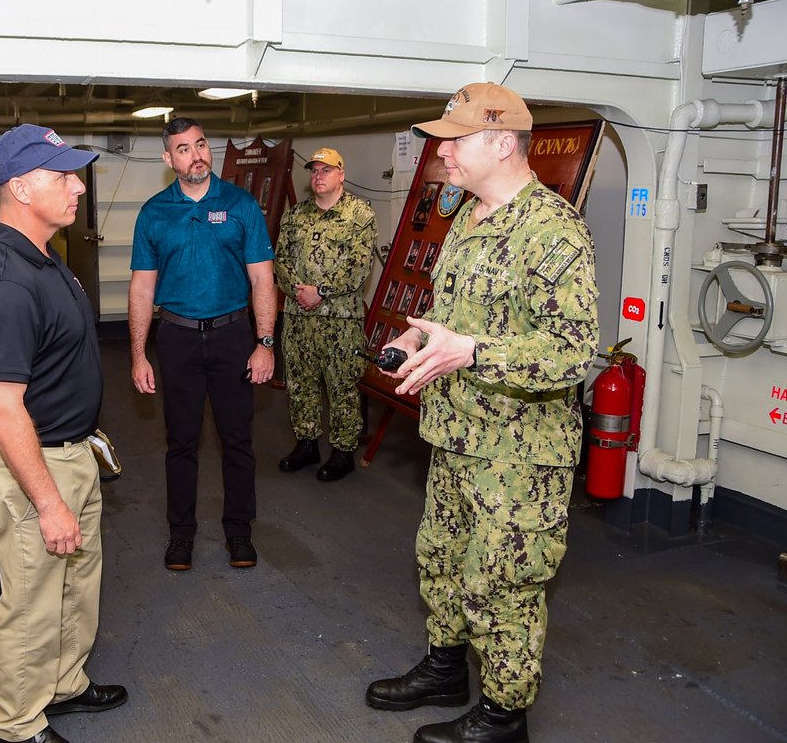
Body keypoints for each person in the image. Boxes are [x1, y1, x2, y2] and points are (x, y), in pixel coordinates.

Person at [363, 83, 599, 743]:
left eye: (456, 139)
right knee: (440, 558)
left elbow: (571, 352)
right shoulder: (468, 218)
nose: (443, 151)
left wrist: (471, 352)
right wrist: (418, 337)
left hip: (519, 455)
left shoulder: (553, 231)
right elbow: (454, 317)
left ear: (502, 143)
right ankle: (445, 670)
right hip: (457, 434)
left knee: (503, 584)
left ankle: (504, 714)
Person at [0, 124, 127, 743]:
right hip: (32, 467)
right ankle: (20, 724)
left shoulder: (44, 255)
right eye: (62, 176)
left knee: (77, 585)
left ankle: (65, 684)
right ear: (22, 188)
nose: (78, 188)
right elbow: (2, 406)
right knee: (32, 603)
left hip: (69, 451)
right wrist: (49, 500)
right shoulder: (8, 281)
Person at [128, 117, 276, 571]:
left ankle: (239, 532)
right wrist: (138, 354)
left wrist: (265, 342)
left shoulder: (241, 205)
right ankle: (181, 535)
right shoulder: (154, 213)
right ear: (168, 158)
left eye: (201, 145)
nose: (197, 155)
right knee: (181, 442)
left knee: (237, 440)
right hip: (177, 338)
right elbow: (141, 290)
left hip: (233, 335)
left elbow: (262, 279)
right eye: (184, 149)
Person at [274, 147, 377, 482]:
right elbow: (281, 259)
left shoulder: (359, 215)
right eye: (314, 171)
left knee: (341, 384)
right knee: (300, 383)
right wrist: (298, 291)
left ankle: (343, 451)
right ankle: (306, 443)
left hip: (340, 320)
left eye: (326, 170)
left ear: (341, 175)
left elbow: (359, 266)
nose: (318, 176)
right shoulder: (296, 215)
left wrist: (320, 291)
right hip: (298, 317)